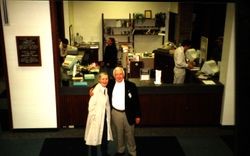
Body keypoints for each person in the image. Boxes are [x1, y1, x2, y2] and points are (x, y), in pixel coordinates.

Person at [84, 72, 113, 156]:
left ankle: (104, 153)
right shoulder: (96, 90)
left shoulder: (105, 88)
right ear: (99, 80)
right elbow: (91, 106)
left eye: (106, 79)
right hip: (96, 118)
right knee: (94, 137)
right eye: (103, 79)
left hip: (104, 117)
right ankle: (94, 154)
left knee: (104, 136)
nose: (105, 81)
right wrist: (93, 118)